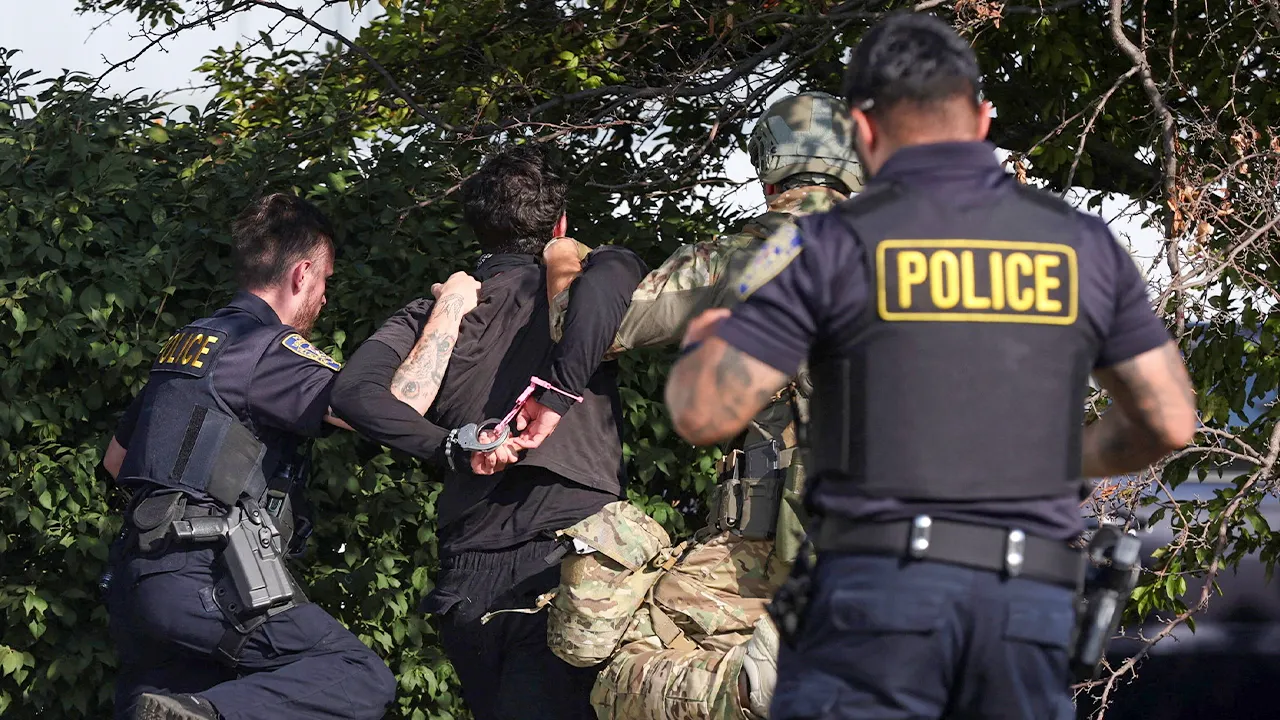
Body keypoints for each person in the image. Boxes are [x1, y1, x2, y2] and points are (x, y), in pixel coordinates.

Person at [663, 13, 1197, 720]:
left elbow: (704, 414)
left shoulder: (821, 244)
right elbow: (1169, 420)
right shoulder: (1081, 244)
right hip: (1025, 609)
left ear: (863, 129)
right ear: (981, 119)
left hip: (873, 609)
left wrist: (709, 338)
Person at [526, 91, 863, 720]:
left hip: (772, 547)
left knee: (610, 652)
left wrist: (563, 266)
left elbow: (592, 331)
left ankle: (762, 691)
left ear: (769, 162)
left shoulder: (752, 251)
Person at [100, 192, 479, 720]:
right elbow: (396, 406)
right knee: (354, 675)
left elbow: (118, 462)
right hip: (208, 576)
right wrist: (451, 306)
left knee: (174, 706)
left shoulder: (190, 345)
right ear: (301, 274)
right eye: (324, 281)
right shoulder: (267, 350)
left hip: (140, 581)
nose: (324, 297)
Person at [329, 144, 649, 720]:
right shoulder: (586, 290)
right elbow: (614, 277)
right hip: (574, 558)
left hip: (469, 568)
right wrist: (556, 391)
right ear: (560, 225)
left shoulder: (433, 311)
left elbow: (355, 394)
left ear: (479, 229)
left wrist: (451, 446)